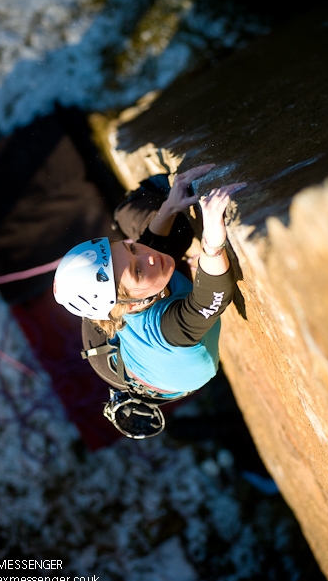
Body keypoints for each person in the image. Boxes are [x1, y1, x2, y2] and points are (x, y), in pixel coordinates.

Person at [53, 164, 246, 438]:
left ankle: (133, 243)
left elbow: (148, 246)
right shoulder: (166, 330)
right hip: (156, 372)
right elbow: (211, 299)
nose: (147, 257)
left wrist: (169, 206)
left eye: (130, 247)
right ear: (130, 306)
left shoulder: (132, 289)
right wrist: (212, 242)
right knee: (138, 217)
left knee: (171, 230)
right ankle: (132, 208)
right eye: (138, 269)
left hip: (121, 341)